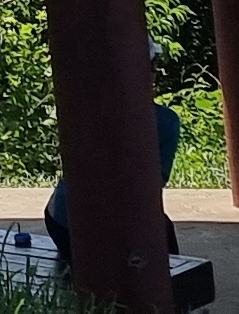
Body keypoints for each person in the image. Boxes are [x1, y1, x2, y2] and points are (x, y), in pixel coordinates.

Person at [43, 49, 186, 265]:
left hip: (61, 222)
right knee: (163, 242)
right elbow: (150, 189)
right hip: (102, 226)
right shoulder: (164, 121)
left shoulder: (87, 110)